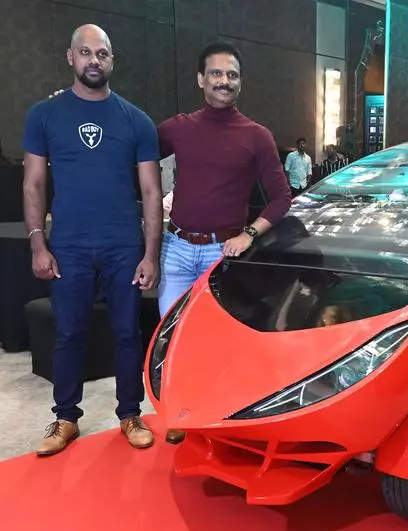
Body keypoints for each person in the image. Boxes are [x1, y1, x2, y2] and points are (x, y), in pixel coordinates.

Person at [22, 24, 163, 456]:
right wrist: (38, 243)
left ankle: (130, 413)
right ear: (71, 58)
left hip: (123, 245)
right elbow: (33, 184)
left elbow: (152, 191)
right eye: (85, 53)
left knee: (126, 333)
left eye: (101, 53)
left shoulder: (136, 120)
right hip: (69, 245)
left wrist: (150, 254)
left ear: (112, 60)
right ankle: (65, 417)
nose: (93, 61)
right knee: (69, 333)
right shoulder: (44, 116)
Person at [157, 41, 291, 444]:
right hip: (177, 250)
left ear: (240, 83)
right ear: (201, 80)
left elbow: (282, 198)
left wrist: (248, 234)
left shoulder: (257, 136)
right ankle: (180, 411)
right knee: (174, 337)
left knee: (217, 340)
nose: (224, 81)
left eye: (231, 75)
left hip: (223, 252)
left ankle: (217, 413)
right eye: (216, 73)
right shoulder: (177, 128)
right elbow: (130, 146)